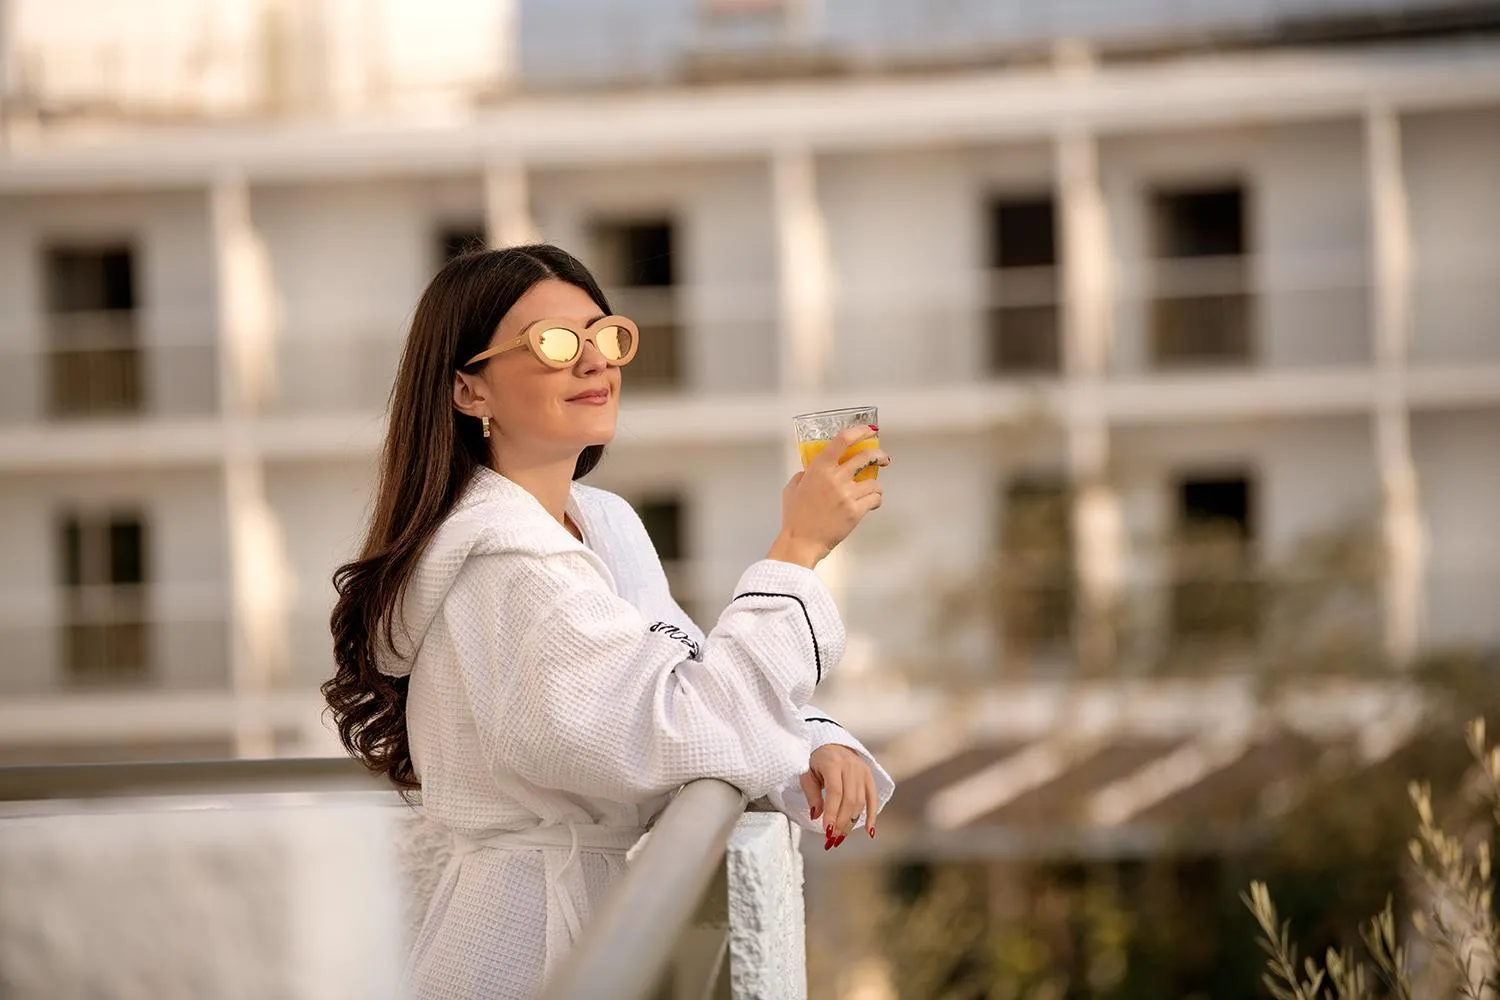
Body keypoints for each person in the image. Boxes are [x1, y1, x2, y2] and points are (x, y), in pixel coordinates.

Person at [324, 245, 895, 999]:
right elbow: (676, 723)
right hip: (523, 945)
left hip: (602, 911)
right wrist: (798, 549)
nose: (594, 362)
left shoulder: (603, 522)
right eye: (553, 344)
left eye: (605, 335)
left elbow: (682, 671)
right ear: (469, 390)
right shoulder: (505, 564)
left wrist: (818, 740)